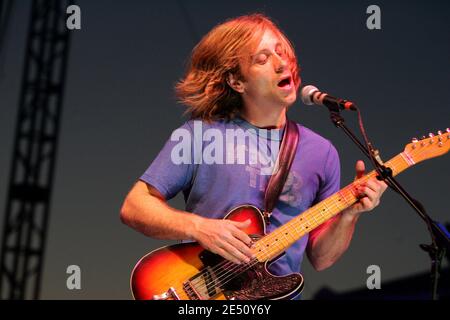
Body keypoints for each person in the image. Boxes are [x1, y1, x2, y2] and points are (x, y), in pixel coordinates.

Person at [120, 13, 387, 293]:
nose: (281, 63)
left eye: (281, 52)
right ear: (237, 81)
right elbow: (135, 206)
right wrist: (199, 228)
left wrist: (349, 216)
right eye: (262, 59)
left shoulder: (323, 153)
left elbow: (321, 258)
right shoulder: (200, 135)